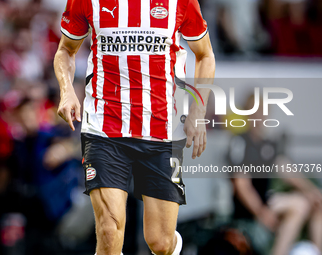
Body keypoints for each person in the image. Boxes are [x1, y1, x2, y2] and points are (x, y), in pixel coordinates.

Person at [53, 0, 215, 254]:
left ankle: (173, 245)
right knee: (108, 230)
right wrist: (67, 91)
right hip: (104, 128)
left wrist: (198, 108)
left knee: (160, 242)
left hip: (162, 130)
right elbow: (65, 50)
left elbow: (205, 54)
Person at [227, 94, 322, 255]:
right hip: (249, 209)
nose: (260, 116)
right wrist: (261, 212)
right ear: (247, 114)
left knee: (316, 202)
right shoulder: (241, 143)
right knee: (299, 205)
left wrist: (312, 190)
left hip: (268, 200)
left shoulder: (266, 145)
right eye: (256, 111)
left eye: (263, 112)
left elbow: (287, 170)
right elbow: (241, 184)